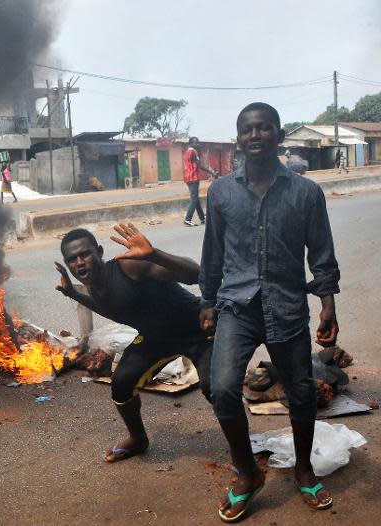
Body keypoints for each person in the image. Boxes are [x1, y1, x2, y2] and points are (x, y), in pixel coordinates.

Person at [200, 102, 339, 522]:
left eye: (264, 128)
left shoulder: (305, 193)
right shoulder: (221, 192)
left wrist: (328, 305)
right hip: (237, 307)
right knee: (221, 387)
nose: (255, 135)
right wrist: (207, 301)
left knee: (300, 393)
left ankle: (303, 468)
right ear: (238, 137)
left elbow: (321, 253)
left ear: (279, 135)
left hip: (287, 306)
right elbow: (213, 253)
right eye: (247, 129)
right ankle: (247, 473)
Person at [55, 224, 212, 463]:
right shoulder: (94, 284)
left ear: (99, 251)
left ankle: (242, 454)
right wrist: (73, 294)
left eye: (85, 254)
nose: (80, 263)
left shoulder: (128, 267)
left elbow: (195, 273)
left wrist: (155, 254)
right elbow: (113, 308)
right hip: (154, 337)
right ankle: (138, 439)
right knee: (121, 383)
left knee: (216, 388)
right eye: (72, 259)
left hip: (195, 328)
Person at [183, 137, 216, 227]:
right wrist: (211, 172)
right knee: (194, 199)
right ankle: (188, 219)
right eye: (195, 143)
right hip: (193, 178)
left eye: (198, 143)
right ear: (190, 144)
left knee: (195, 198)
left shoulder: (188, 151)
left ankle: (202, 218)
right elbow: (200, 165)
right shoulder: (193, 151)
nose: (197, 144)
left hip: (188, 178)